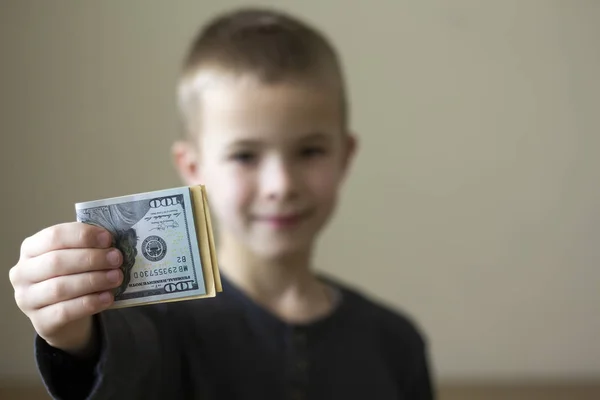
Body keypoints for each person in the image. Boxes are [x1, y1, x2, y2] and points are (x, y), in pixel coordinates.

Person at [9, 7, 434, 400]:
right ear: (192, 166)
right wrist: (71, 334)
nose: (280, 185)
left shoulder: (395, 341)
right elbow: (109, 361)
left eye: (309, 151)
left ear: (346, 155)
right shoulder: (155, 333)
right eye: (245, 156)